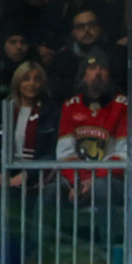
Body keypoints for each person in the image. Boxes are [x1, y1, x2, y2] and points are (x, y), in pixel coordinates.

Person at [55, 49, 127, 207]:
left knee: (101, 188)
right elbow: (64, 153)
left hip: (112, 181)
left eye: (103, 68)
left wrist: (92, 180)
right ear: (83, 75)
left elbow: (123, 155)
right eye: (93, 68)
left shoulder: (123, 106)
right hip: (77, 179)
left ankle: (109, 233)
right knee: (49, 192)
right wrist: (79, 181)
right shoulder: (70, 106)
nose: (98, 73)